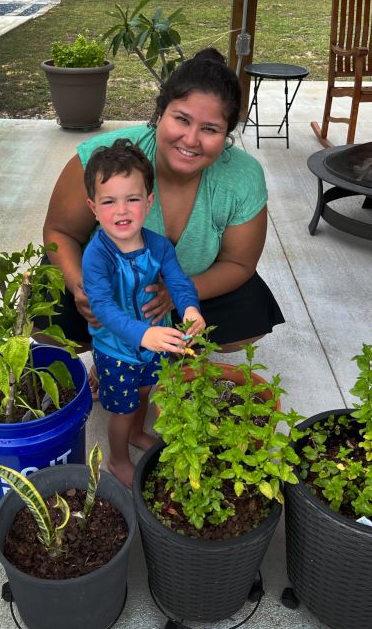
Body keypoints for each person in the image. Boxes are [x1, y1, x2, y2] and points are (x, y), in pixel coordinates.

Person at [41, 47, 284, 367]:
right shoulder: (103, 158)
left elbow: (239, 263)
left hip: (184, 286)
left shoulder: (241, 177)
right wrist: (79, 287)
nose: (191, 139)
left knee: (250, 312)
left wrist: (176, 292)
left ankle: (175, 352)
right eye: (181, 119)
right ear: (159, 113)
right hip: (110, 289)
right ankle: (111, 352)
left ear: (227, 135)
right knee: (46, 315)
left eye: (210, 129)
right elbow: (60, 230)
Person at [82, 139, 205, 487]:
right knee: (120, 409)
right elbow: (103, 307)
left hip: (157, 342)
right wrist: (143, 334)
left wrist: (191, 309)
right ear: (93, 207)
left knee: (146, 391)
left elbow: (179, 283)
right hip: (117, 349)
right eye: (109, 202)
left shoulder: (159, 245)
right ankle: (118, 459)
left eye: (132, 199)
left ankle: (138, 433)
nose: (121, 211)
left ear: (148, 202)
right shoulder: (97, 255)